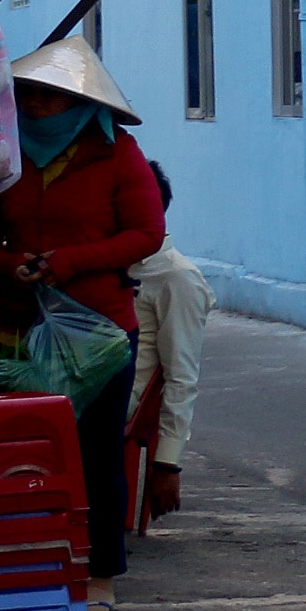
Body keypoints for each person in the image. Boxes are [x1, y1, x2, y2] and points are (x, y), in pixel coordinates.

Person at [0, 38, 168, 606]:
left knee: (95, 456)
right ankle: (18, 567)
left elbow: (146, 234)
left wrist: (70, 262)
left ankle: (98, 572)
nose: (34, 106)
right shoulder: (1, 153)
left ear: (80, 104)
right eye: (27, 95)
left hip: (98, 335)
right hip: (14, 328)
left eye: (50, 98)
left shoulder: (117, 154)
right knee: (14, 457)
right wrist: (11, 266)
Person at [128, 163, 212, 523]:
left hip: (110, 403)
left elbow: (181, 374)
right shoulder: (106, 264)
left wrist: (168, 463)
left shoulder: (176, 279)